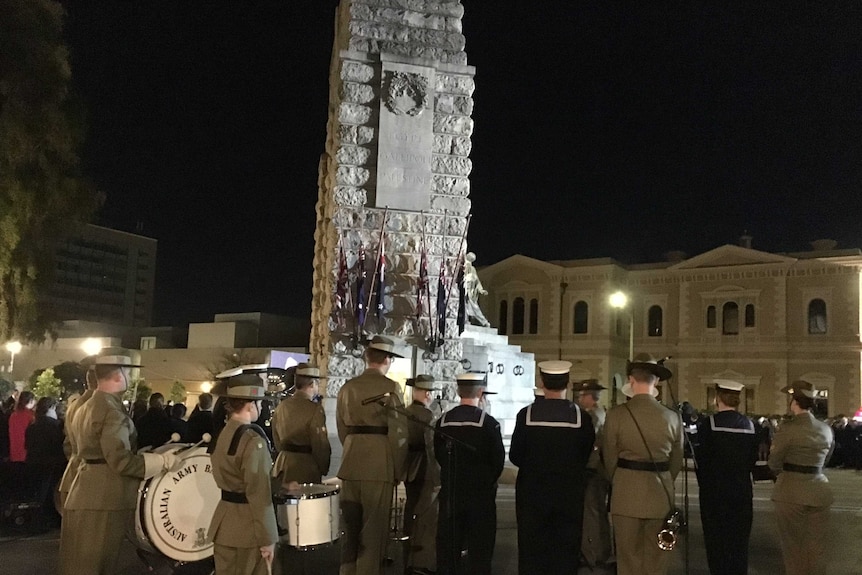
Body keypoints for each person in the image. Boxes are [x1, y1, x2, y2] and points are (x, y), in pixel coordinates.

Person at [60, 352, 178, 574]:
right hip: (104, 498)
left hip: (83, 489)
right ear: (118, 375)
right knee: (96, 566)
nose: (130, 378)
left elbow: (83, 449)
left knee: (76, 564)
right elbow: (120, 461)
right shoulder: (112, 412)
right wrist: (159, 461)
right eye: (128, 373)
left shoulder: (85, 405)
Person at [510, 361, 595, 574]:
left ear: (542, 382)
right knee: (565, 551)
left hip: (532, 494)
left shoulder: (525, 415)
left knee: (531, 550)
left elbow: (516, 455)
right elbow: (585, 455)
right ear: (567, 383)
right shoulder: (581, 417)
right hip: (569, 494)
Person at [602, 353, 683, 575]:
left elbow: (609, 459)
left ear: (631, 380)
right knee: (658, 560)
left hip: (626, 495)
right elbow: (676, 462)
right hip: (660, 495)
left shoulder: (616, 416)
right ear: (656, 381)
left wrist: (619, 480)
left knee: (628, 560)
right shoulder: (672, 417)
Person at [336, 335, 408, 575]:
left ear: (367, 358)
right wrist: (398, 468)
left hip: (350, 462)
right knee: (373, 532)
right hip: (379, 464)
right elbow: (398, 432)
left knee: (351, 529)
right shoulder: (390, 388)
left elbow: (341, 428)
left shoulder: (347, 387)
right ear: (387, 359)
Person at [208, 372, 278, 574]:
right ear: (250, 405)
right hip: (248, 531)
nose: (262, 407)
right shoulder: (252, 441)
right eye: (260, 403)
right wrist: (268, 539)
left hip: (225, 525)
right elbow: (259, 494)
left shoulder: (223, 433)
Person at [434, 372, 504, 575]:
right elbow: (497, 460)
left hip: (451, 494)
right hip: (480, 494)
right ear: (480, 392)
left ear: (457, 391)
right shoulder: (489, 423)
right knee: (480, 549)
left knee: (449, 548)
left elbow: (439, 455)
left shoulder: (443, 421)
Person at [693, 380, 759, 575]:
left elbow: (701, 461)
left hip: (715, 493)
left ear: (717, 398)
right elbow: (752, 459)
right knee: (739, 544)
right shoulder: (750, 425)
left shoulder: (709, 424)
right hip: (742, 492)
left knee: (717, 544)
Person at [768, 380, 834, 575]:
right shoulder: (825, 429)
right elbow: (827, 459)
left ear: (794, 402)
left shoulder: (788, 428)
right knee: (817, 547)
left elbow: (774, 461)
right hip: (819, 489)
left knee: (793, 547)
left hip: (791, 491)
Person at [402, 374, 442, 575]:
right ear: (427, 393)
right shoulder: (428, 416)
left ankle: (406, 552)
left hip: (409, 468)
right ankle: (420, 559)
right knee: (425, 514)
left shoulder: (405, 412)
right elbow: (432, 447)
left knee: (410, 509)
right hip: (424, 468)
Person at [573, 377, 613, 569]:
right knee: (597, 512)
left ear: (590, 397)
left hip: (593, 469)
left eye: (582, 395)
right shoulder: (601, 412)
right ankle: (602, 551)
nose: (580, 399)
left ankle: (593, 554)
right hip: (599, 469)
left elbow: (591, 445)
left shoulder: (591, 416)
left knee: (591, 512)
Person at [272, 363, 331, 486]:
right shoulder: (315, 409)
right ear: (312, 384)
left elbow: (276, 438)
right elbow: (320, 444)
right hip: (305, 467)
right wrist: (323, 467)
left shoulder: (282, 406)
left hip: (283, 463)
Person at [58, 354, 98, 511]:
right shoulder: (95, 407)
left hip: (73, 475)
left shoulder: (75, 405)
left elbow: (67, 445)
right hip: (89, 483)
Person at [25, 396, 66, 530]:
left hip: (34, 463)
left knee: (38, 493)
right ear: (51, 408)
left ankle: (38, 520)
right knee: (52, 494)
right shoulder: (56, 426)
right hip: (53, 465)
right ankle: (52, 519)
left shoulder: (32, 427)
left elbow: (27, 446)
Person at [462, 252, 491, 327]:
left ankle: (484, 322)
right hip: (462, 290)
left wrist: (481, 290)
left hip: (468, 291)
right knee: (464, 307)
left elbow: (476, 281)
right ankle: (465, 320)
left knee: (474, 307)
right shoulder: (464, 266)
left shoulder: (471, 269)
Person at [8, 390, 36, 463]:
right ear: (30, 401)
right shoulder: (31, 416)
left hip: (14, 451)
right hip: (27, 452)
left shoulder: (13, 415)